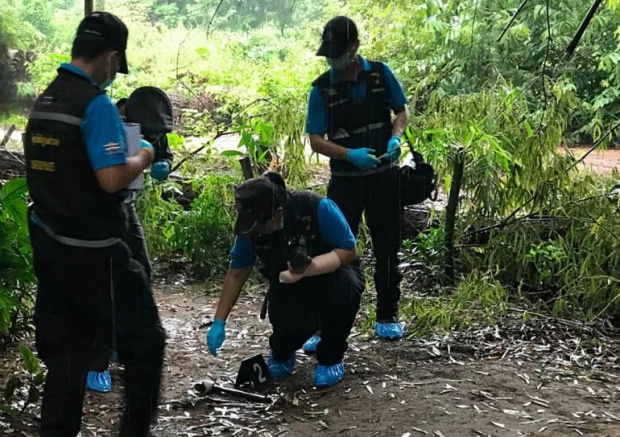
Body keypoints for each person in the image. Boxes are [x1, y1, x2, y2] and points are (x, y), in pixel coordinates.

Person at [23, 11, 165, 436]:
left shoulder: (47, 100)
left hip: (52, 248)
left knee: (67, 356)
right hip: (97, 255)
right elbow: (110, 179)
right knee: (146, 342)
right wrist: (144, 155)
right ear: (110, 57)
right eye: (114, 67)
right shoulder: (95, 104)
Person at [206, 172, 364, 388]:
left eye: (261, 226)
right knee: (286, 330)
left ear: (277, 214)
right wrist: (219, 321)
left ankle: (330, 357)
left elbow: (348, 250)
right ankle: (283, 353)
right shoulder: (249, 228)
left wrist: (310, 268)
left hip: (333, 275)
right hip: (286, 283)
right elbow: (236, 273)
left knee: (345, 289)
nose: (257, 232)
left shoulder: (316, 207)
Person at [305, 16, 409, 343]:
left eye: (338, 52)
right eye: (329, 54)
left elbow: (401, 112)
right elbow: (316, 140)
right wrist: (350, 155)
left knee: (388, 244)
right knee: (334, 248)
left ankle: (387, 312)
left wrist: (396, 138)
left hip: (384, 178)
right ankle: (324, 322)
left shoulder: (380, 74)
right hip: (345, 182)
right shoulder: (321, 89)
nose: (332, 60)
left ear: (354, 48)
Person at [85, 85, 175, 393]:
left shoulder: (153, 123)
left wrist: (163, 164)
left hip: (127, 206)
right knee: (102, 283)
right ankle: (96, 361)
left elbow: (163, 153)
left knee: (140, 270)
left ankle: (127, 341)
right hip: (98, 209)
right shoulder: (109, 123)